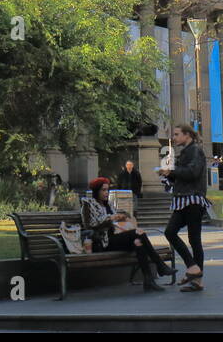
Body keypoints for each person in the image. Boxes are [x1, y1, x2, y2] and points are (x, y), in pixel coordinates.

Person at [81, 177, 170, 291]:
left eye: (107, 190)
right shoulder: (88, 204)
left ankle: (149, 281)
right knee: (138, 234)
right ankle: (160, 265)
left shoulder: (108, 205)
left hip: (114, 238)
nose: (106, 193)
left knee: (138, 242)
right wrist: (110, 218)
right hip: (102, 242)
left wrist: (122, 217)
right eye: (103, 190)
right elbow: (88, 225)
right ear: (96, 191)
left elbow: (117, 222)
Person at [164, 124, 209, 292]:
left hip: (192, 199)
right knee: (172, 232)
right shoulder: (185, 152)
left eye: (177, 134)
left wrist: (173, 170)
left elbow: (193, 173)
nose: (174, 138)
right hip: (183, 199)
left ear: (187, 135)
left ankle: (196, 276)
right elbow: (182, 176)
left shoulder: (195, 150)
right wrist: (168, 174)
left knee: (193, 239)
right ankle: (194, 270)